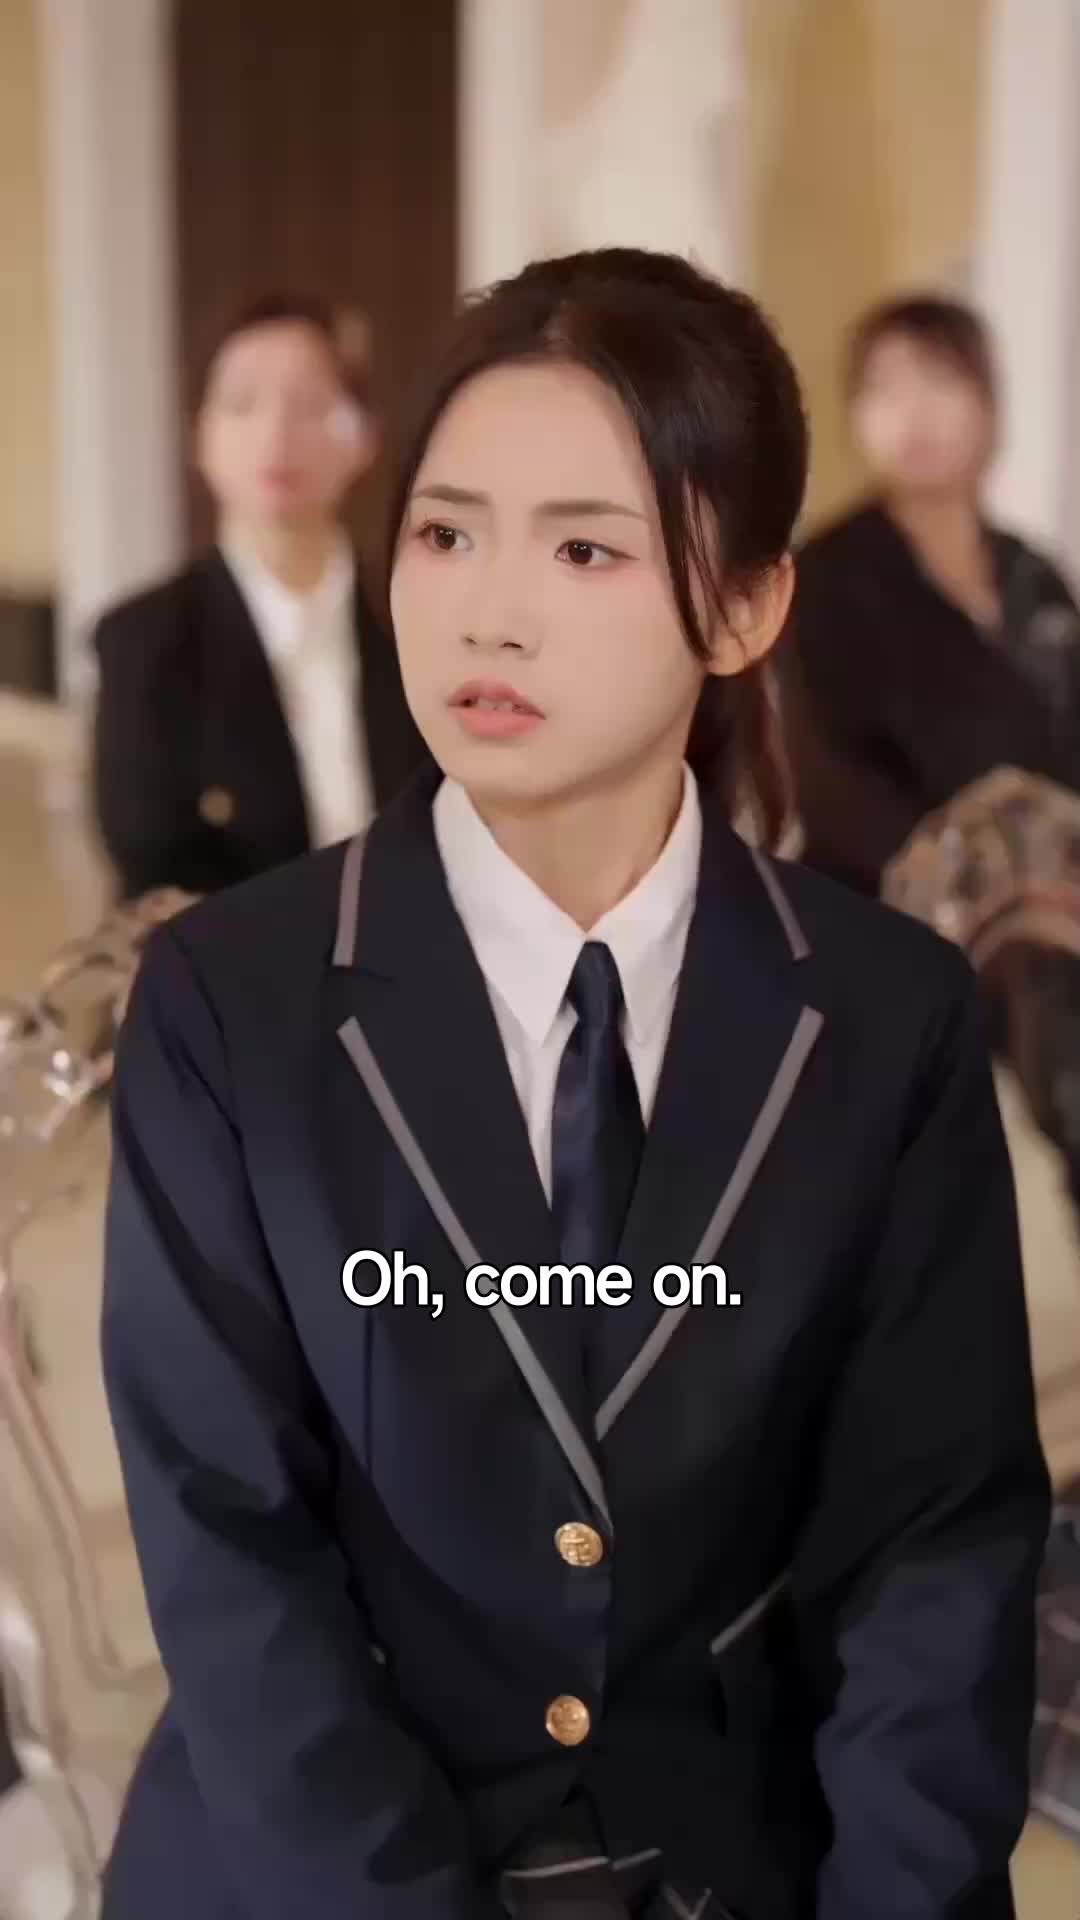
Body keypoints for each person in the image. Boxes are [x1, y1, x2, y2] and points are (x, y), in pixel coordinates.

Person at [99, 249, 1049, 1920]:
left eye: (585, 548)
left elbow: (932, 1545)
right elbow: (233, 1561)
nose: (488, 611)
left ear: (743, 607)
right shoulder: (226, 1004)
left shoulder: (885, 1017)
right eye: (446, 535)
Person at [91, 293, 428, 899]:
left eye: (309, 404)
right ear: (200, 437)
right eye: (242, 403)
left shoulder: (418, 619)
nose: (276, 433)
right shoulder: (142, 642)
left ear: (364, 436)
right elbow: (155, 872)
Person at [778, 294, 1080, 899]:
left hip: (1042, 913)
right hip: (876, 911)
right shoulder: (824, 575)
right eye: (883, 388)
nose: (913, 413)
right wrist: (964, 881)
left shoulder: (1035, 576)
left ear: (990, 406)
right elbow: (828, 784)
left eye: (939, 380)